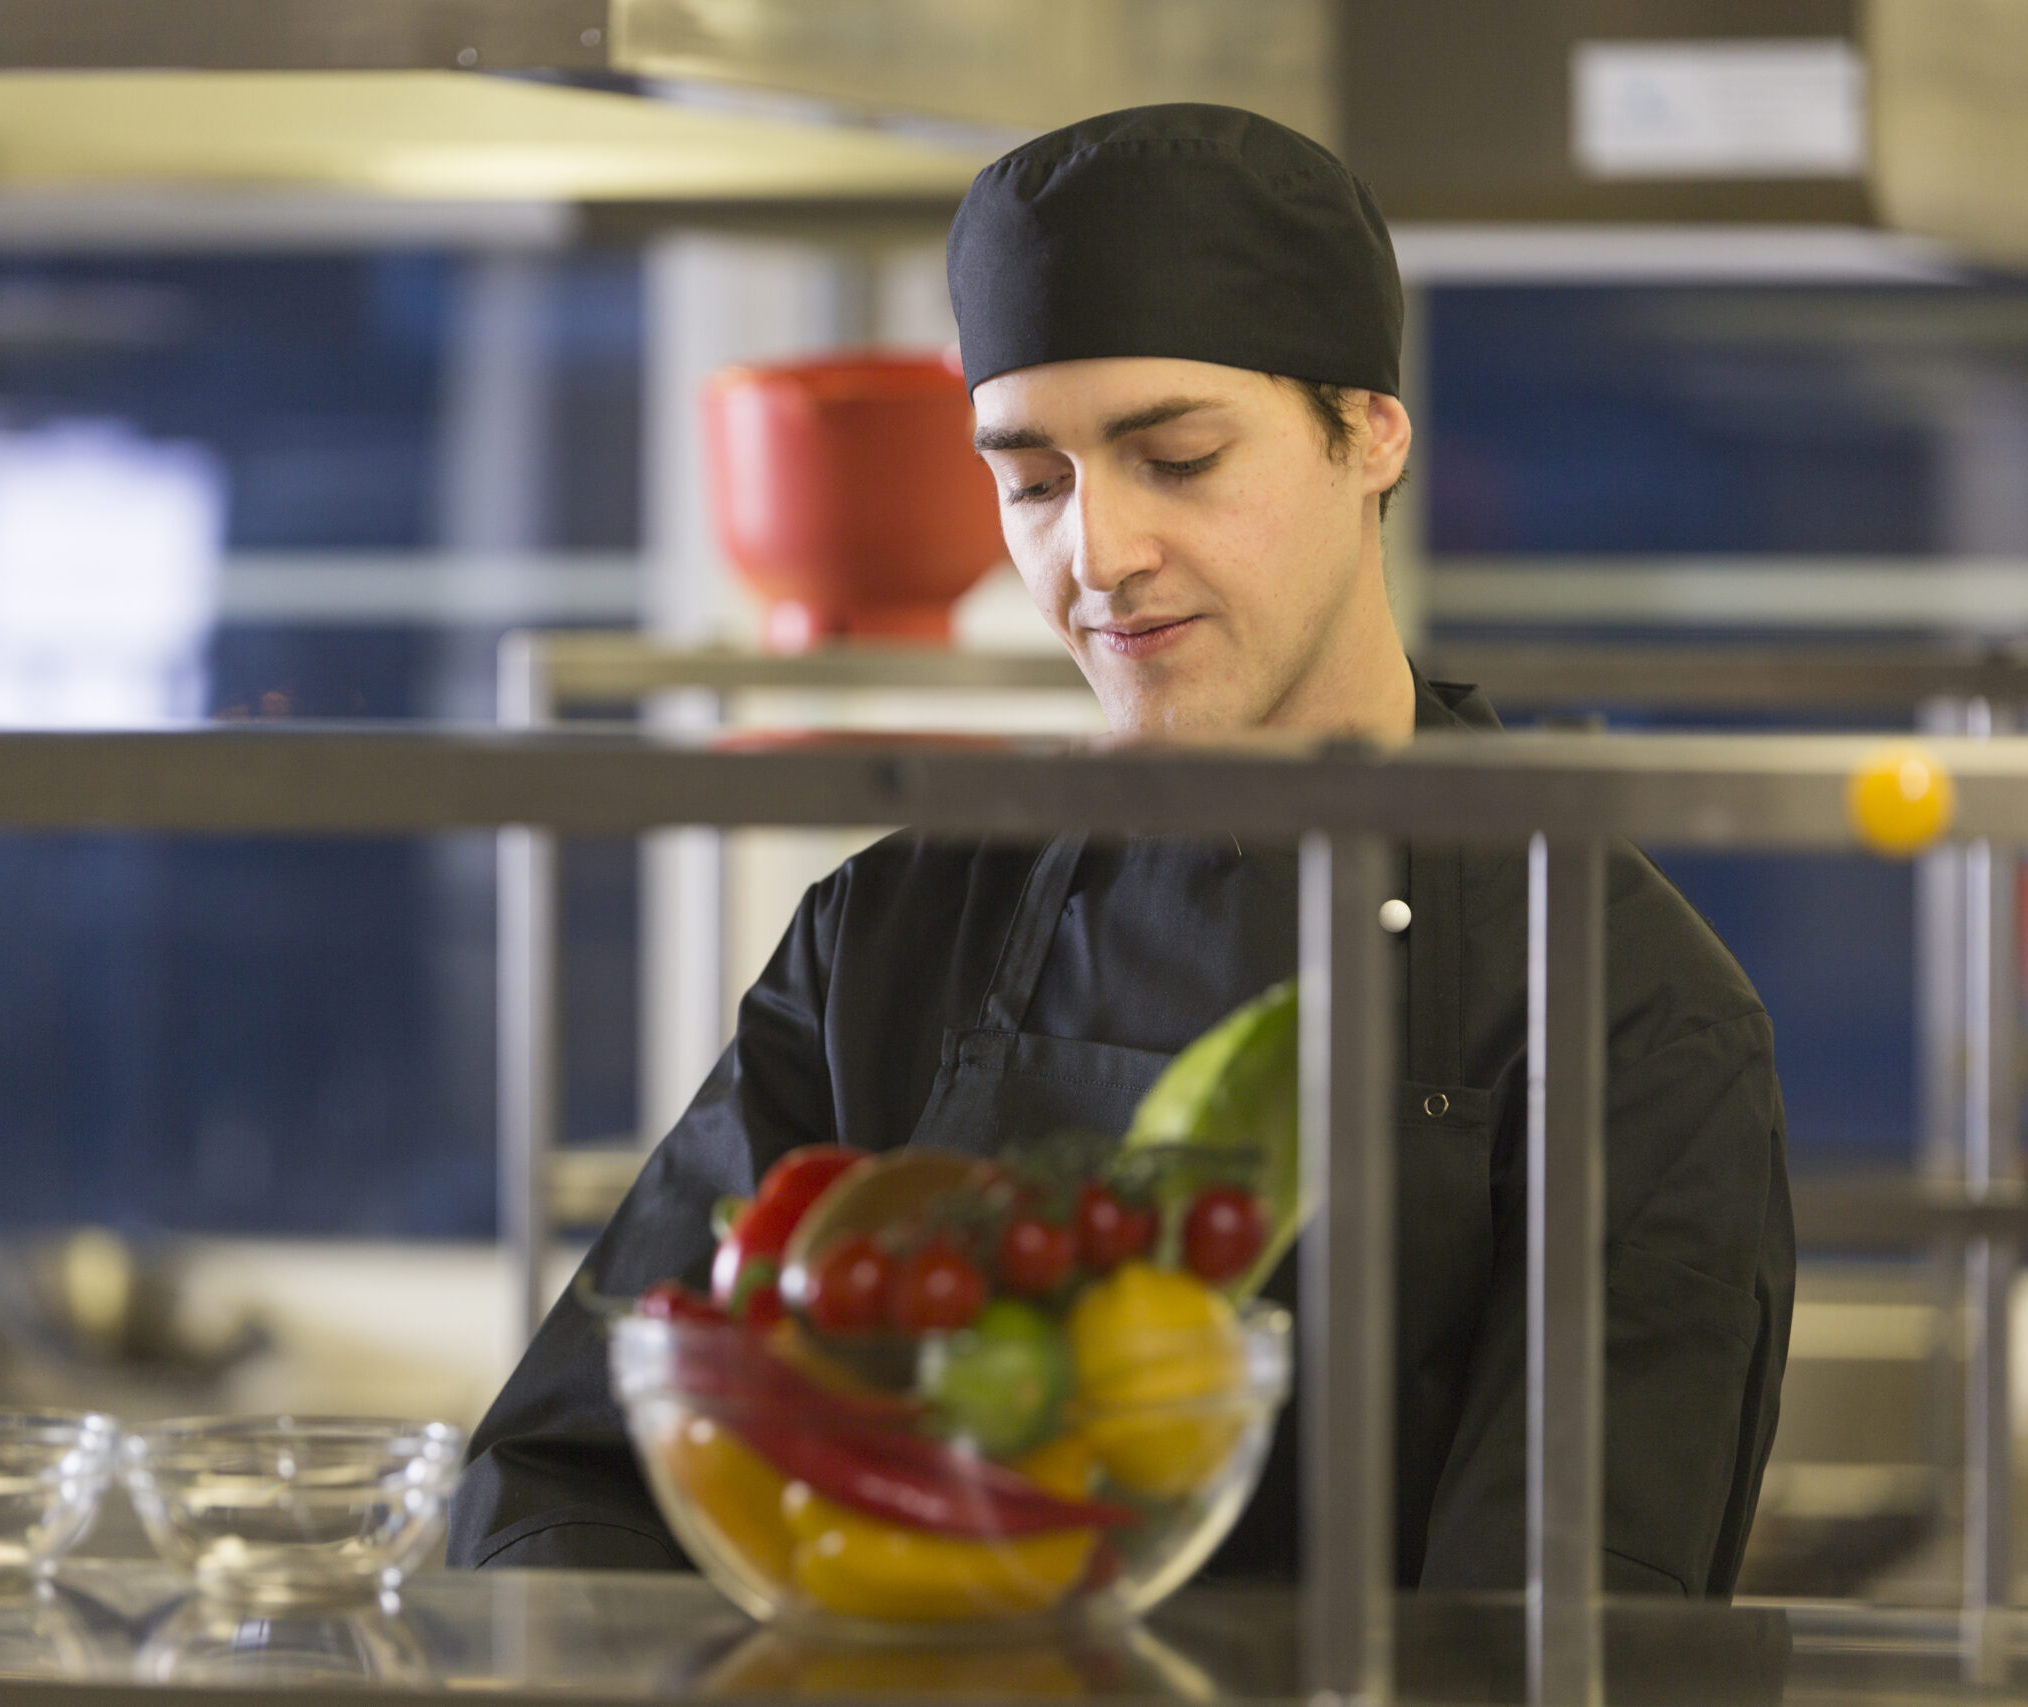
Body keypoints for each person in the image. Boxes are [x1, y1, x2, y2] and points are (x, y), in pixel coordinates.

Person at [450, 103, 1793, 1598]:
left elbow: (1560, 1633)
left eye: (1178, 456)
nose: (1096, 553)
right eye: (1034, 482)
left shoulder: (1624, 1005)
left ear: (1372, 436)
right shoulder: (895, 932)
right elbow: (566, 1473)